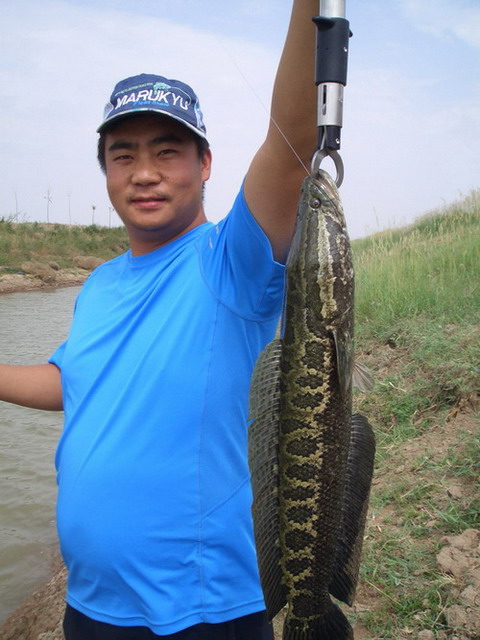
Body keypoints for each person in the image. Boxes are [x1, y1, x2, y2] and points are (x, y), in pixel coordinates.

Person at [0, 2, 318, 638]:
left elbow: (292, 143)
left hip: (203, 612)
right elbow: (76, 381)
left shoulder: (232, 261)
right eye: (123, 156)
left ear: (205, 164)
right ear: (106, 172)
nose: (144, 173)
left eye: (168, 151)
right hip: (91, 604)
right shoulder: (99, 283)